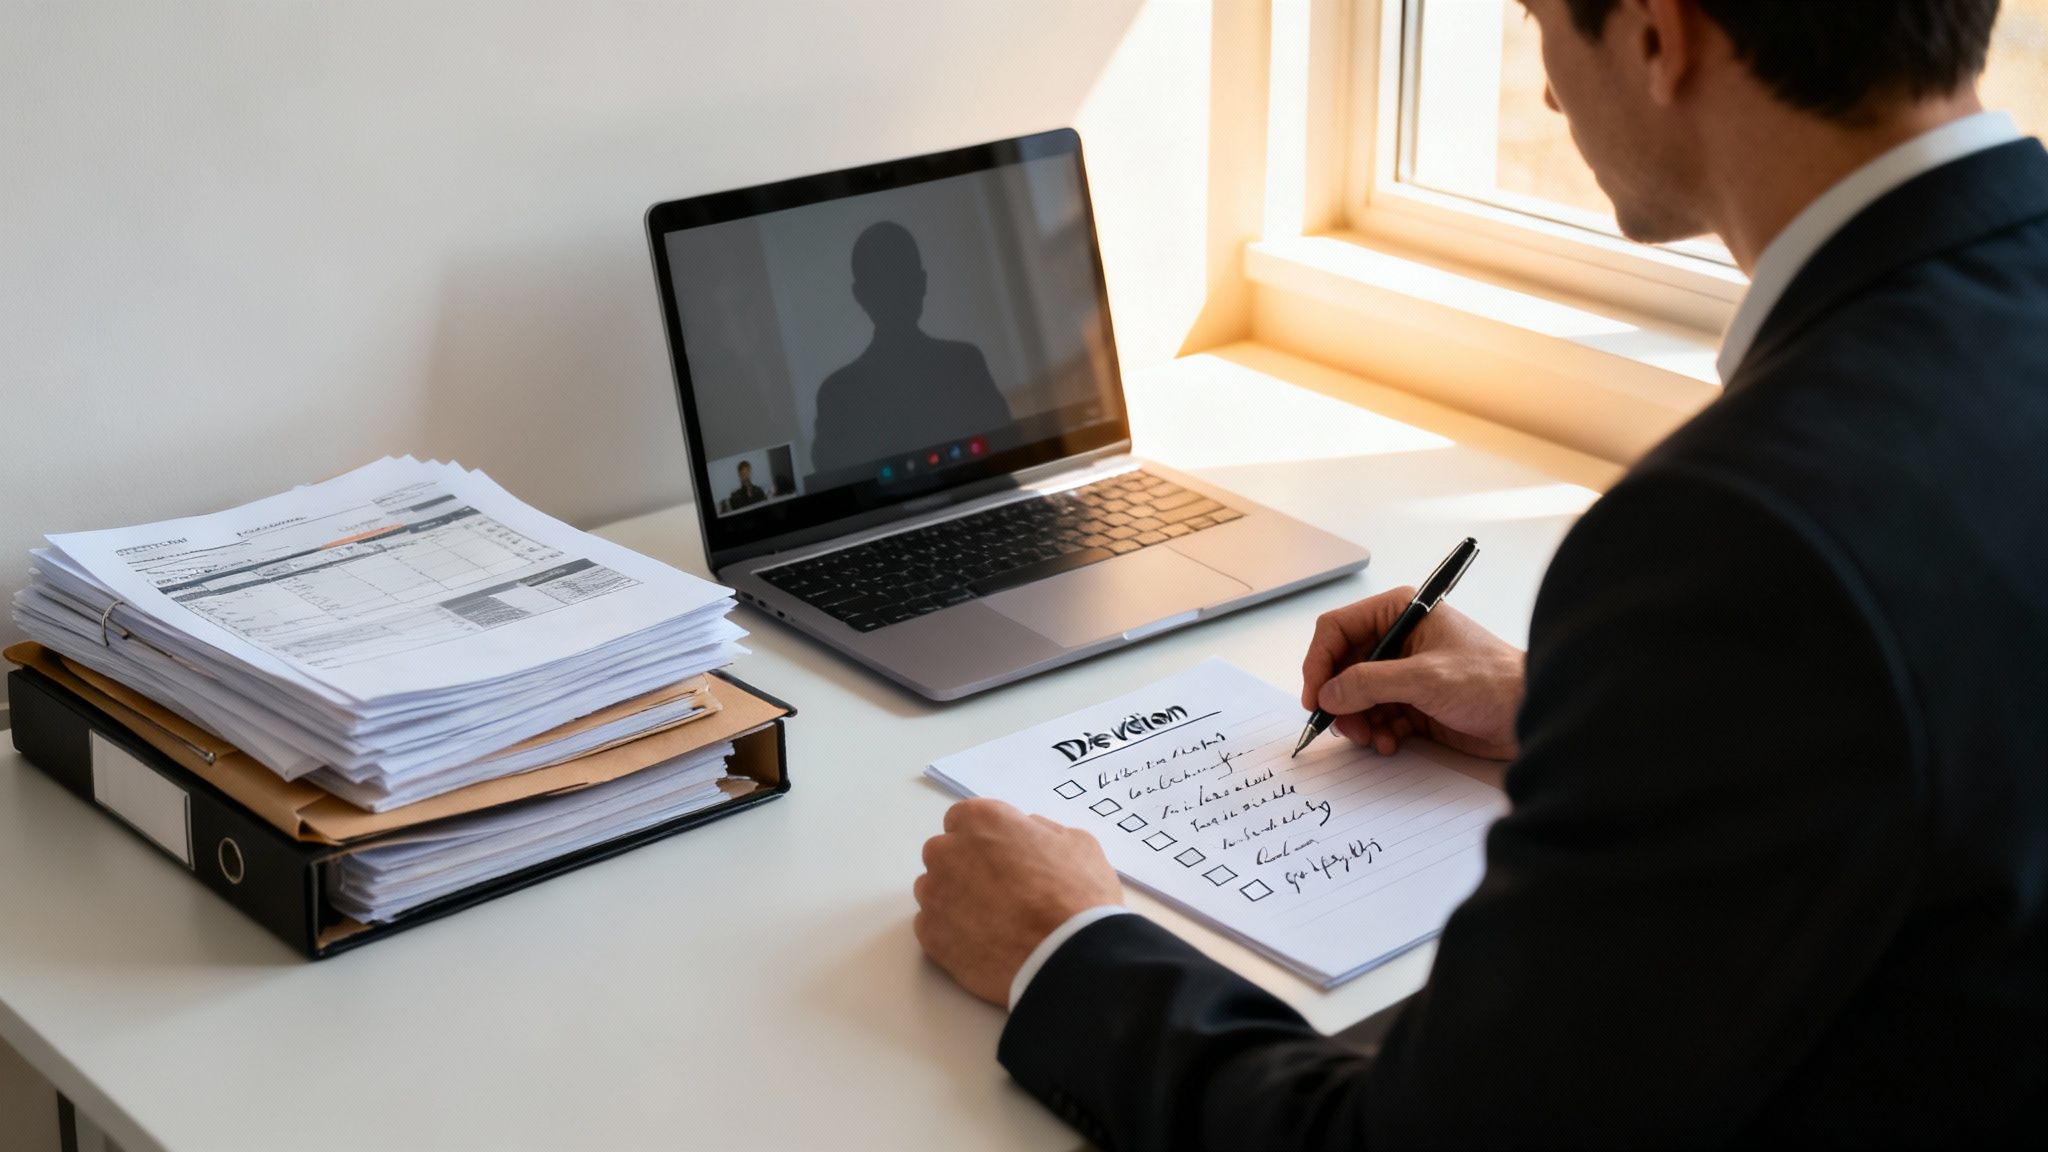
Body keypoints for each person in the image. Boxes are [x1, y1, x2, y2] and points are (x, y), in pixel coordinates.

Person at [912, 1, 2047, 1146]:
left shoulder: (1737, 528)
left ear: (1659, 36)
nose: (1545, 91)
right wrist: (1607, 718)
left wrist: (1062, 952)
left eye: (1537, 19)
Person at [808, 221, 1013, 476]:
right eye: (885, 283)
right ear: (922, 283)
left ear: (860, 295)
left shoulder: (836, 394)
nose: (895, 293)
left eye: (900, 279)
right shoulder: (965, 363)